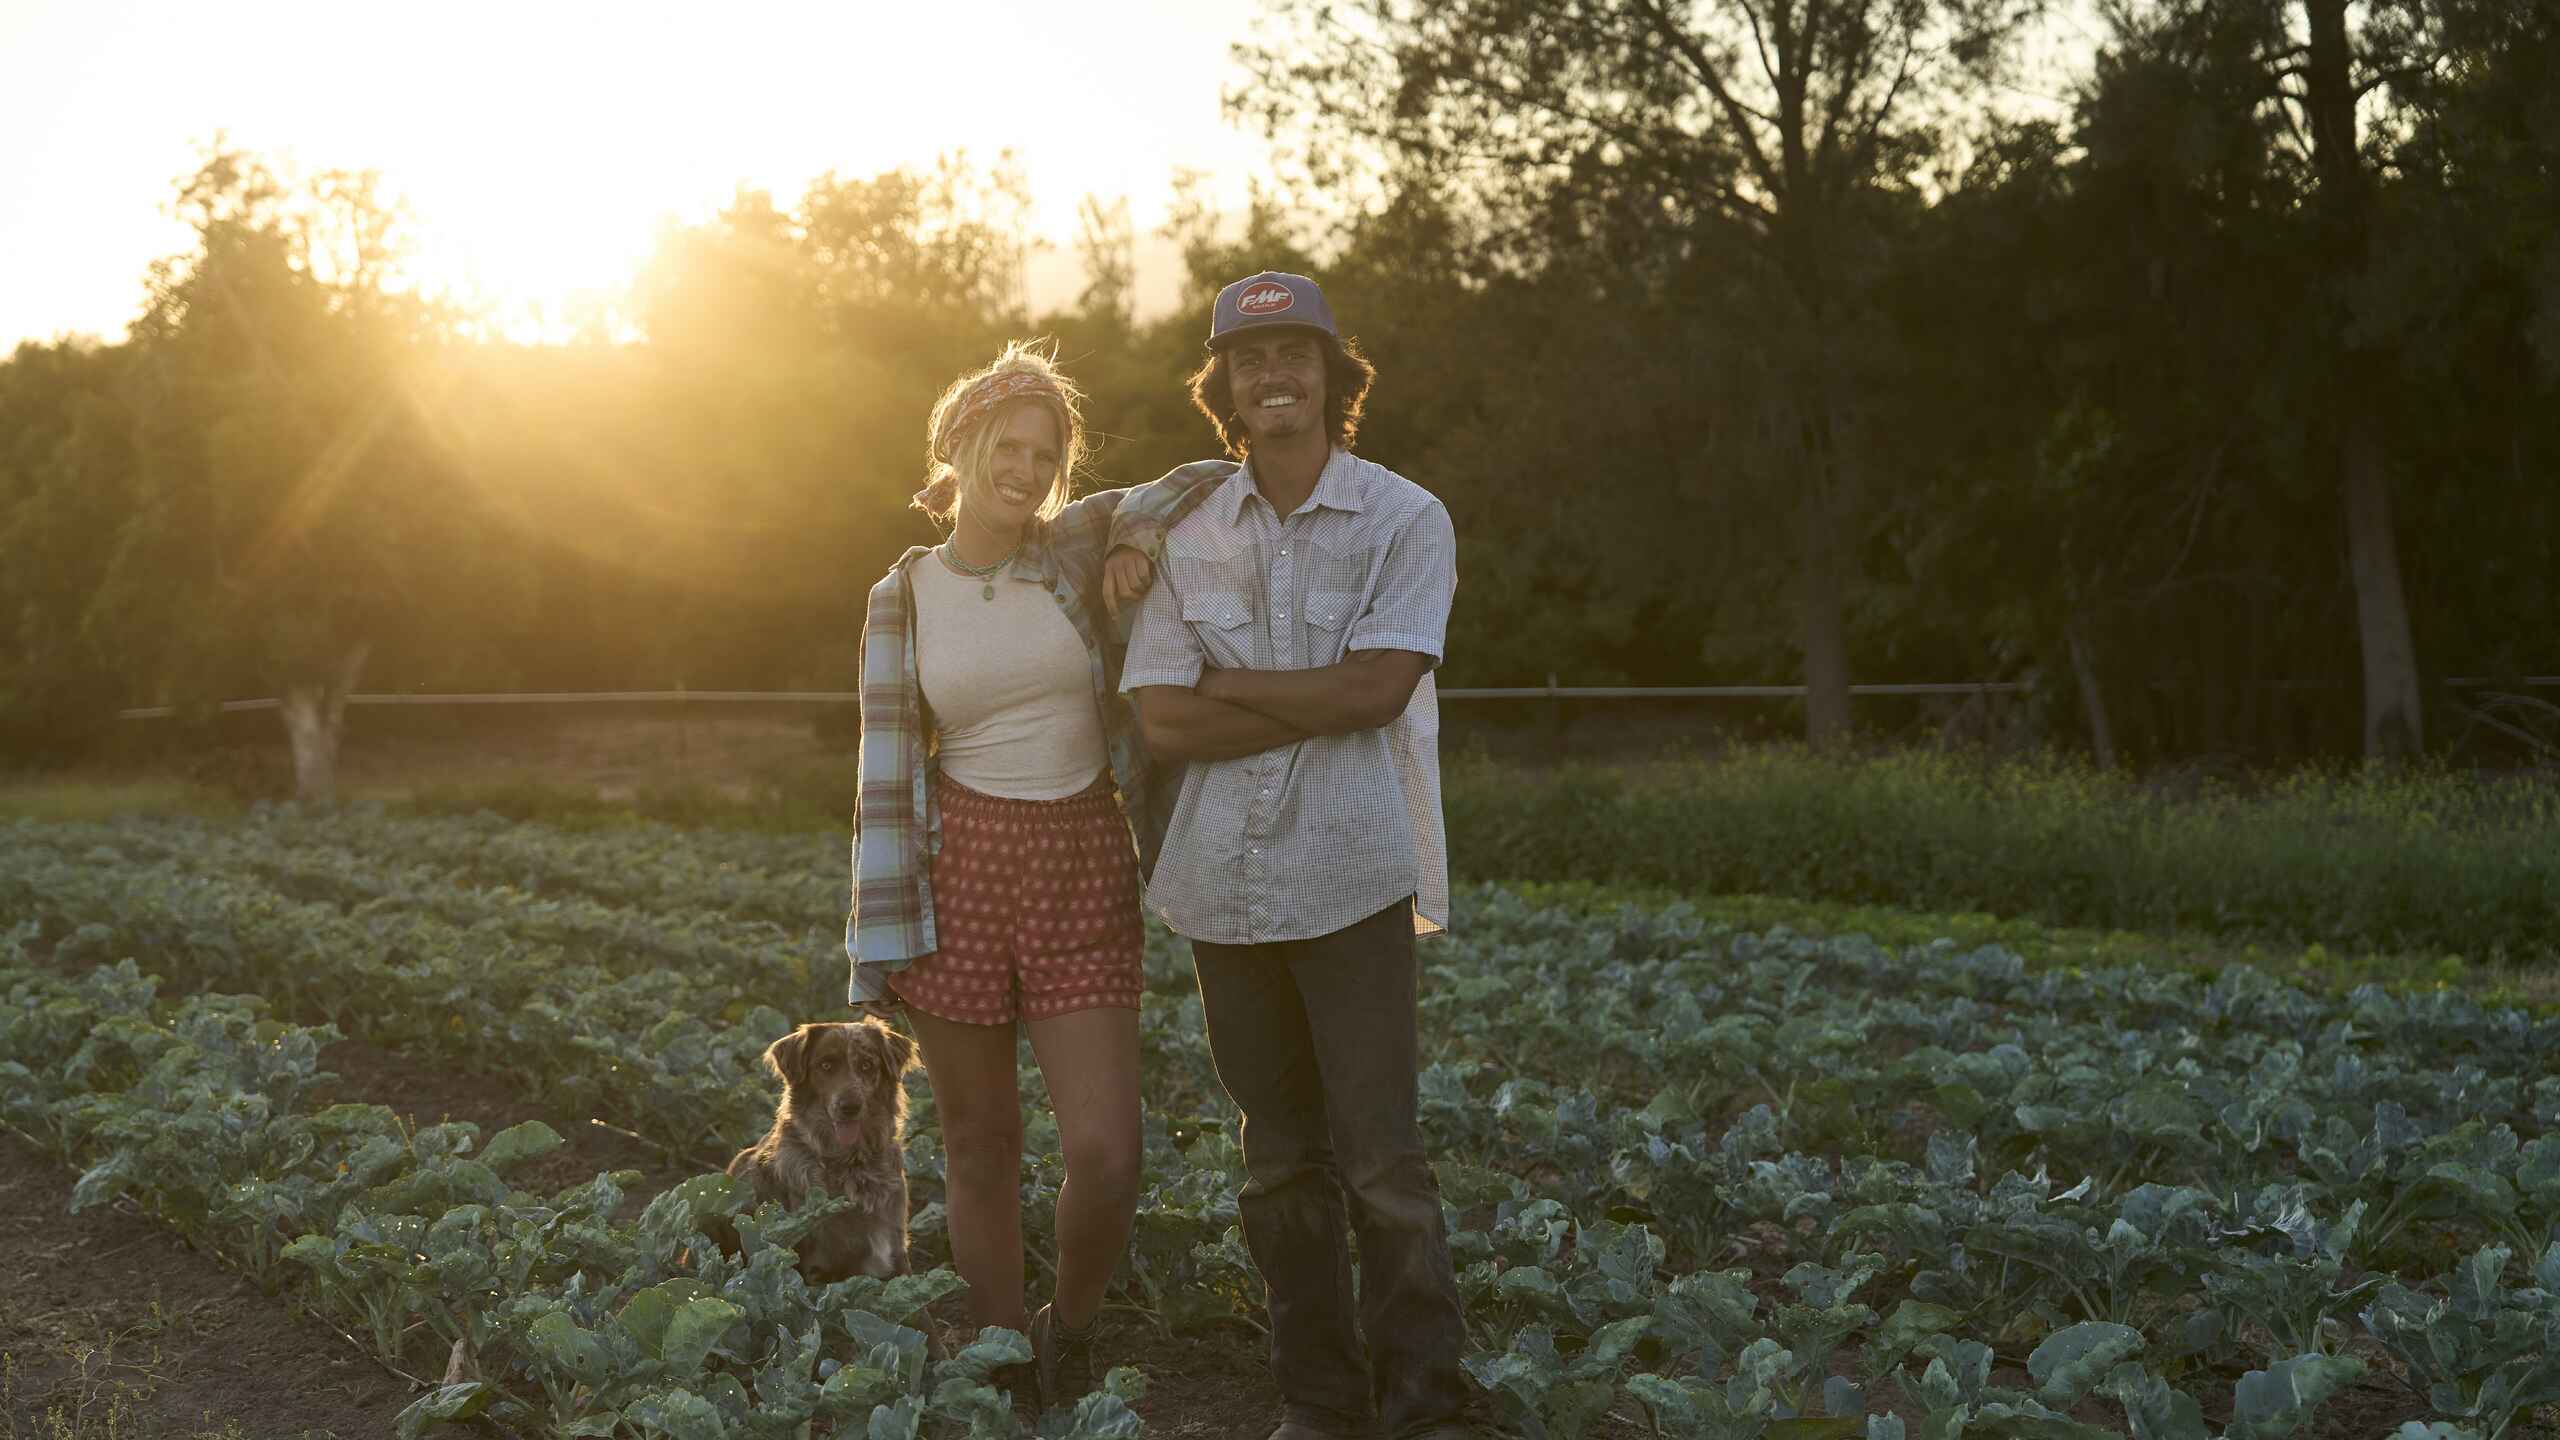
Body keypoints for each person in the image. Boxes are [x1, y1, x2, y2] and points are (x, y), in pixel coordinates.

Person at [1119, 273, 1478, 1440]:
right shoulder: (1184, 530)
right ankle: (1319, 1402)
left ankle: (1422, 1406)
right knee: (1276, 1163)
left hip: (1352, 873)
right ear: (1221, 385)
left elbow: (1382, 690)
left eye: (1297, 356)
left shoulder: (1404, 518)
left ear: (1334, 375)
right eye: (1249, 360)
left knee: (1379, 1162)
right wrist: (1313, 698)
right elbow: (1160, 720)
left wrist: (1228, 686)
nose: (1273, 377)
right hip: (1221, 887)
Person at [844, 340, 1217, 1407]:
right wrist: (874, 943)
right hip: (957, 867)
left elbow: (1207, 476)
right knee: (980, 1142)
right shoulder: (901, 594)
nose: (1026, 469)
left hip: (1081, 860)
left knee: (1105, 1149)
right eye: (1007, 446)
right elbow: (878, 774)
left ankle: (1074, 1325)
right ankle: (1002, 1353)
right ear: (958, 450)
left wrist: (1137, 534)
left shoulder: (1073, 548)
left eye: (1046, 454)